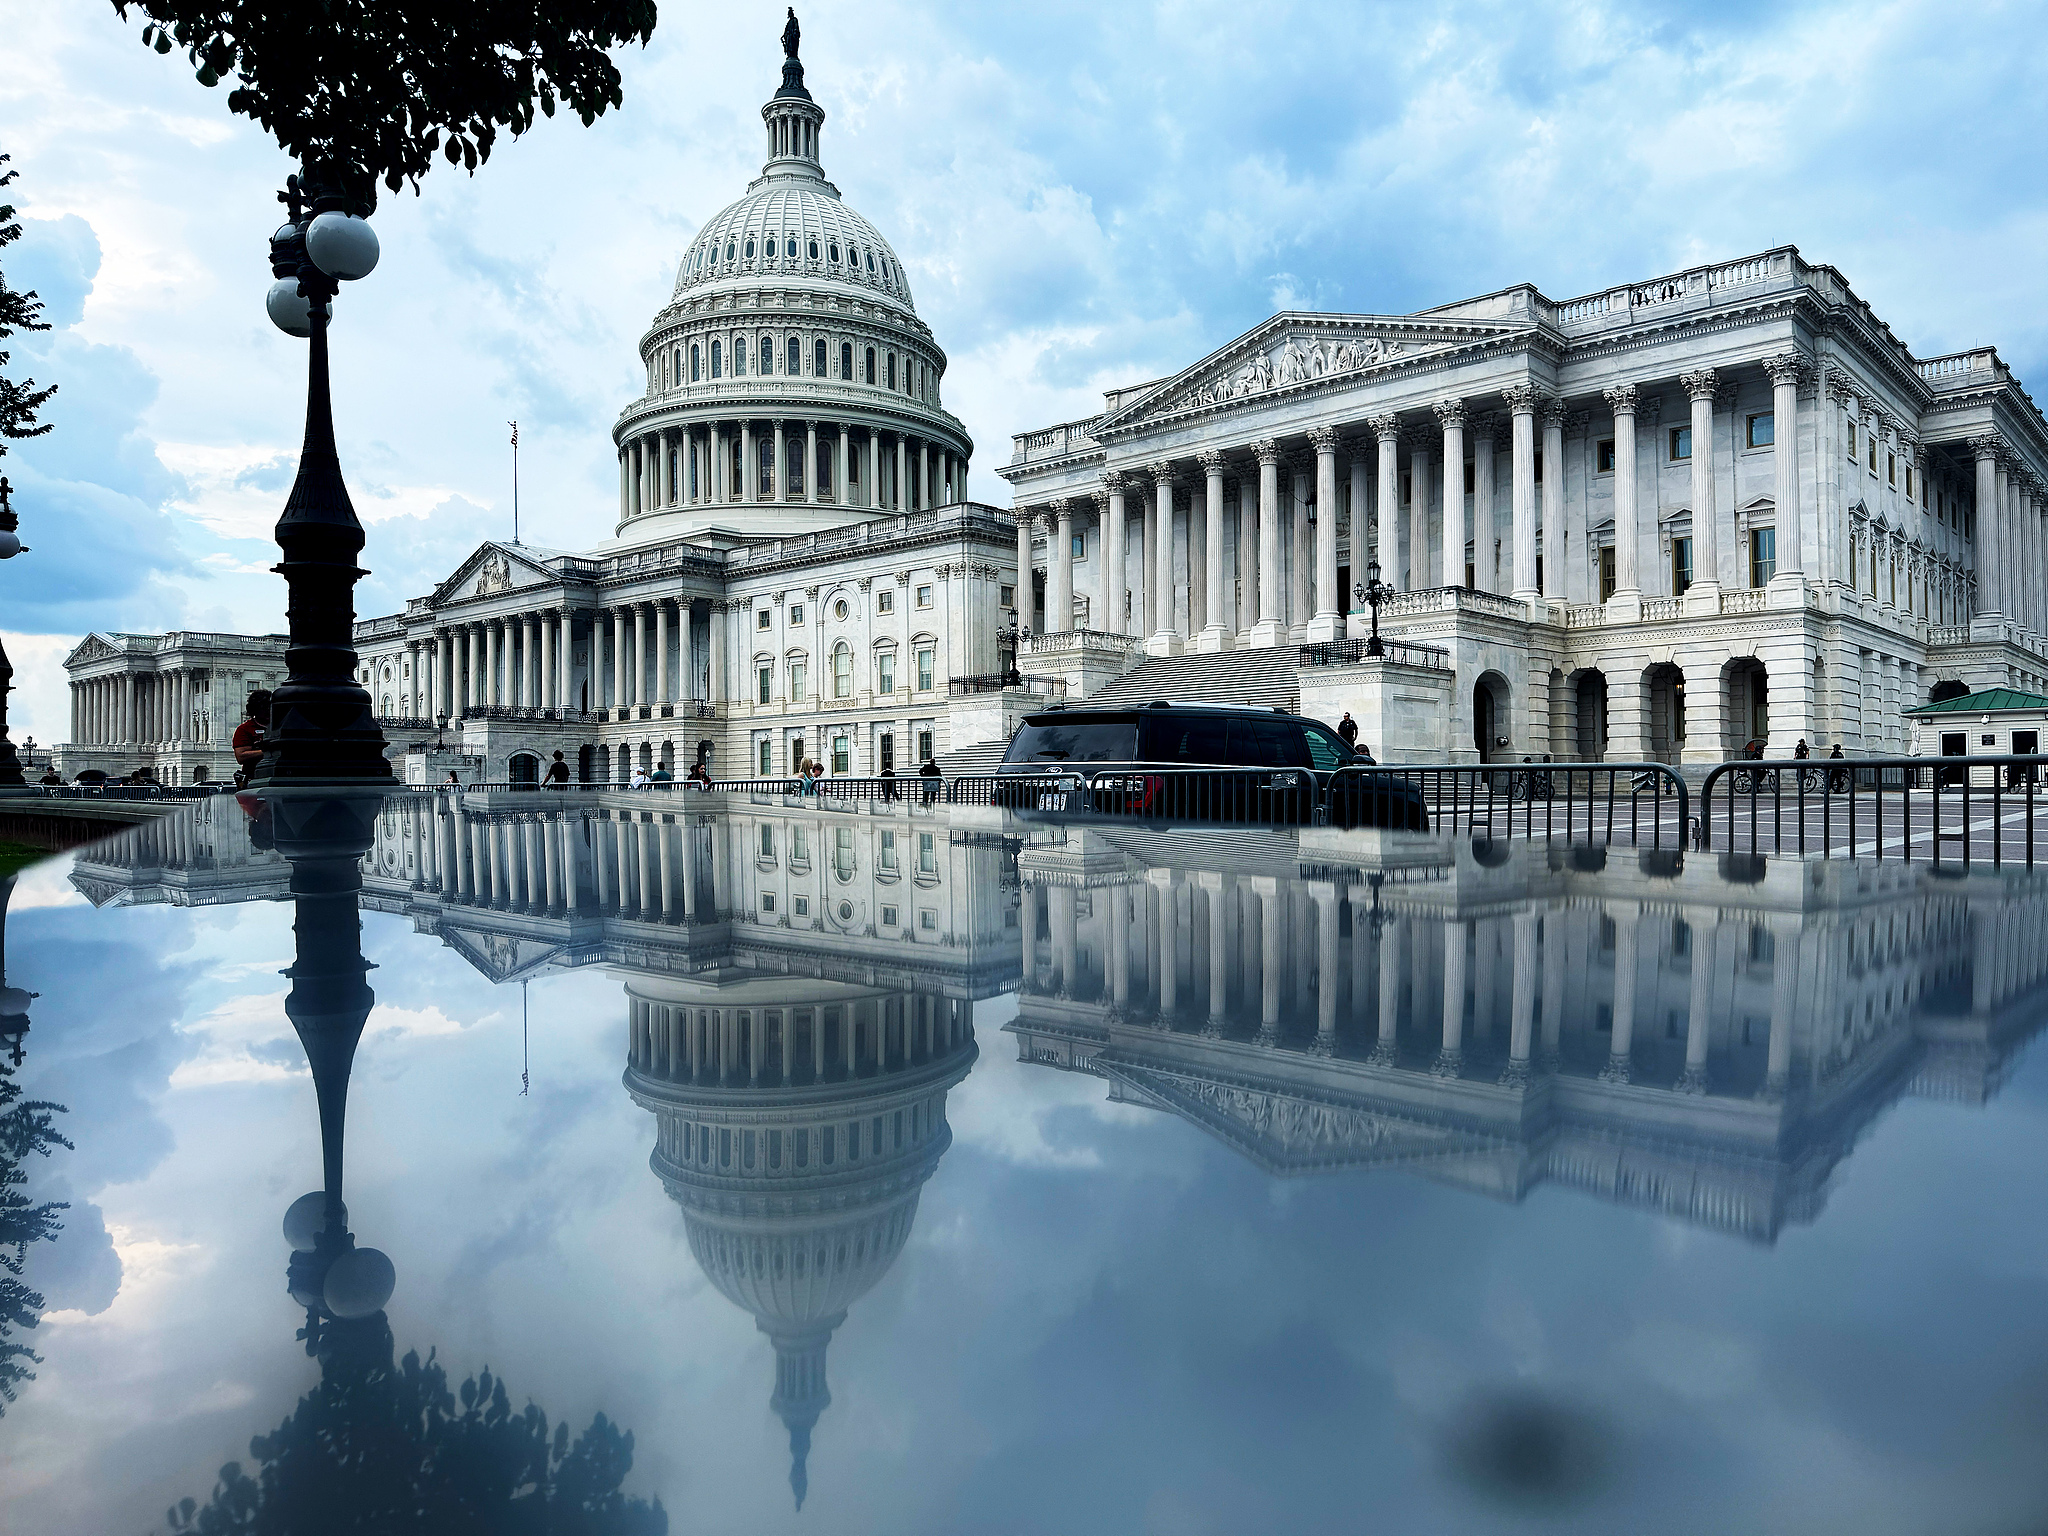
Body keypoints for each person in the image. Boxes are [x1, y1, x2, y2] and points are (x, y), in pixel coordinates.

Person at [232, 689, 272, 786]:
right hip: (254, 778)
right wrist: (269, 751)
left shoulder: (281, 725)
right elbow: (241, 756)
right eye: (264, 708)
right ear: (255, 710)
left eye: (269, 708)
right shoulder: (244, 729)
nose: (268, 711)